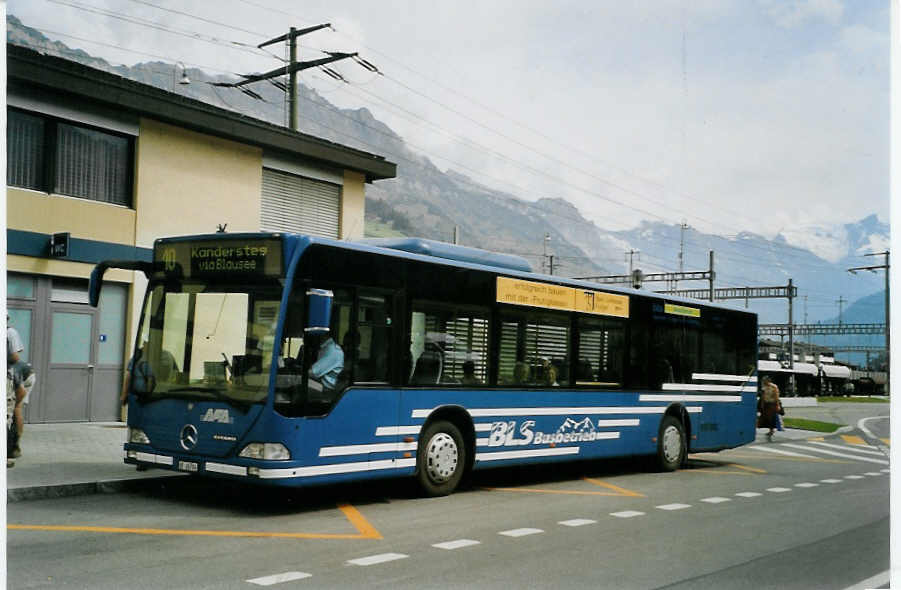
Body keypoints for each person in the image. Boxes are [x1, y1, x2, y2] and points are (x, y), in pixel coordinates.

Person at [759, 376, 782, 440]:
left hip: (772, 404)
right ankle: (770, 430)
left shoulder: (774, 387)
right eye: (763, 380)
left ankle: (772, 430)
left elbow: (776, 396)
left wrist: (778, 405)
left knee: (771, 418)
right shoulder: (764, 387)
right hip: (766, 404)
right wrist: (762, 404)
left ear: (768, 380)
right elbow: (763, 396)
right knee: (767, 418)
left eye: (764, 380)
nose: (763, 381)